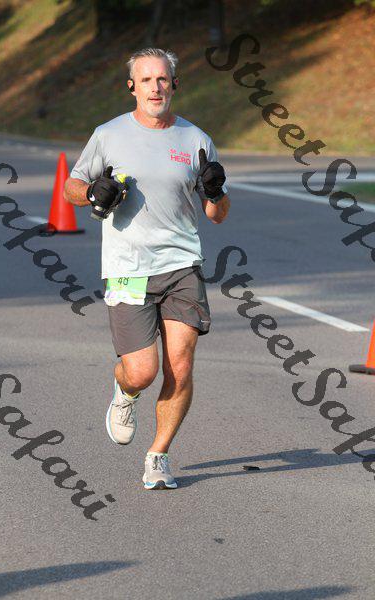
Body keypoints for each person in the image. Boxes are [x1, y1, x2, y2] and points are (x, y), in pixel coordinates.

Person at [64, 47, 230, 490]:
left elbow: (217, 215)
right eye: (146, 80)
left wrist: (216, 192)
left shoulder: (196, 140)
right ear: (132, 87)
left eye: (162, 79)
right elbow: (71, 188)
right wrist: (92, 192)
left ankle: (158, 455)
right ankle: (125, 391)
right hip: (128, 266)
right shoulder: (109, 135)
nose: (155, 88)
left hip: (181, 264)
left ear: (174, 85)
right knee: (142, 371)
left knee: (181, 365)